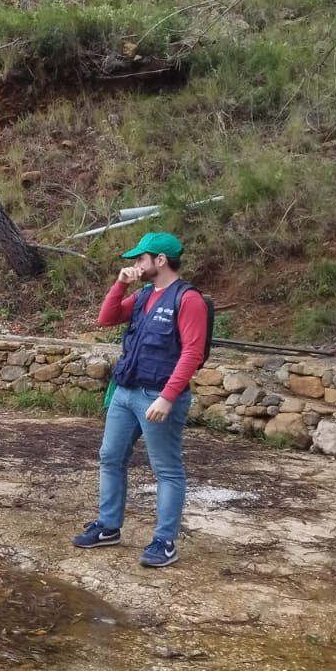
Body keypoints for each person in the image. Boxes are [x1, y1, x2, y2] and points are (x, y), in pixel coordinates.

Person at [74, 232, 209, 569]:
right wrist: (120, 285)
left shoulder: (188, 299)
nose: (135, 264)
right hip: (125, 390)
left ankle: (164, 541)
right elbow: (106, 318)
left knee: (166, 468)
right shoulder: (145, 294)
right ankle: (108, 526)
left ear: (160, 261)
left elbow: (192, 353)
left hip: (158, 396)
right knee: (110, 457)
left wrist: (167, 397)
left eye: (140, 259)